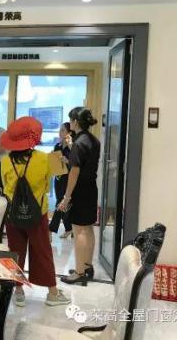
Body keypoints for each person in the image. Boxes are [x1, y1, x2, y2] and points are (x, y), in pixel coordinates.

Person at [0, 116, 70, 307]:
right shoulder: (46, 158)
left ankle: (18, 291)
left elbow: (6, 186)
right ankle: (52, 293)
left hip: (12, 214)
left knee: (15, 252)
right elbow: (56, 180)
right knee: (43, 252)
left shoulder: (5, 161)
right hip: (38, 213)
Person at [58, 107, 100, 285]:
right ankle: (87, 267)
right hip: (91, 188)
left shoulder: (78, 143)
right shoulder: (93, 140)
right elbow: (83, 164)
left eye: (71, 120)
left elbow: (74, 172)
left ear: (75, 122)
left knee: (79, 230)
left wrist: (66, 197)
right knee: (88, 228)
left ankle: (79, 272)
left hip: (80, 190)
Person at [49, 122, 74, 238]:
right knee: (62, 203)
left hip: (68, 178)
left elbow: (76, 164)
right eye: (60, 130)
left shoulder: (72, 147)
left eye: (63, 130)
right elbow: (55, 164)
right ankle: (69, 228)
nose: (60, 132)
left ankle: (50, 229)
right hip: (58, 177)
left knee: (60, 203)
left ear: (69, 133)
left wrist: (67, 161)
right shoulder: (57, 146)